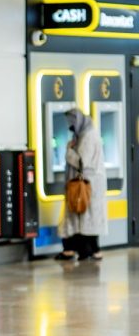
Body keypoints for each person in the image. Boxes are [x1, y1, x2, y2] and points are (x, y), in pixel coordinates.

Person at [55, 108, 107, 261]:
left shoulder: (88, 136)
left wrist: (68, 150)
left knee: (84, 217)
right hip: (88, 184)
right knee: (84, 218)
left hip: (87, 185)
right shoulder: (85, 133)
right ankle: (82, 250)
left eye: (72, 122)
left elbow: (81, 161)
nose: (70, 125)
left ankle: (90, 251)